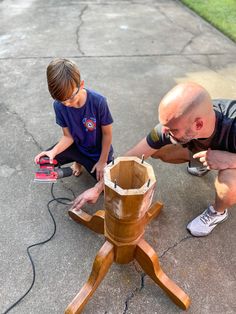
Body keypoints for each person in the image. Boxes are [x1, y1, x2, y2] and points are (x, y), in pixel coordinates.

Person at [72, 82, 236, 237]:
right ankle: (202, 161)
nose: (165, 130)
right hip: (207, 149)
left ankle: (218, 212)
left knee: (228, 184)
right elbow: (134, 154)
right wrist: (98, 187)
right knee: (160, 150)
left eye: (172, 128)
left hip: (231, 156)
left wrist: (228, 159)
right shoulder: (178, 123)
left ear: (198, 125)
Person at [34, 58, 113, 181]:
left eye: (70, 98)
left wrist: (103, 161)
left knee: (106, 184)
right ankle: (78, 162)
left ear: (81, 85)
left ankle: (83, 162)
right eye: (61, 100)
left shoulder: (98, 102)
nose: (66, 104)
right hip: (77, 147)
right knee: (44, 162)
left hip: (97, 153)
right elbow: (68, 137)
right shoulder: (58, 105)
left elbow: (107, 135)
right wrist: (53, 152)